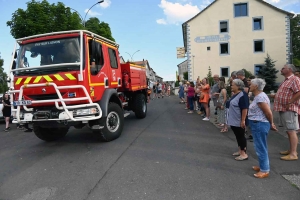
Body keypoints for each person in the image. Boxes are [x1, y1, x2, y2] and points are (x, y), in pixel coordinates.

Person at [248, 78, 277, 178]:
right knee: (259, 146)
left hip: (259, 124)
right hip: (257, 123)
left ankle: (264, 170)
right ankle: (262, 166)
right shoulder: (258, 96)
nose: (249, 86)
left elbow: (268, 112)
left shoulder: (260, 97)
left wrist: (271, 123)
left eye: (251, 84)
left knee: (260, 147)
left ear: (256, 86)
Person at [272, 64, 300, 161]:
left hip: (290, 108)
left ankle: (293, 154)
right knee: (288, 130)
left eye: (283, 68)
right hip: (284, 108)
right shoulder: (287, 80)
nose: (281, 69)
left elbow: (299, 91)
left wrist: (290, 101)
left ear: (289, 70)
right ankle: (291, 150)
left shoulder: (294, 79)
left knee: (292, 130)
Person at [226, 79, 249, 161]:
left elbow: (244, 109)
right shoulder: (235, 94)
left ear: (238, 86)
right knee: (237, 136)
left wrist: (243, 120)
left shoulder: (243, 95)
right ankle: (240, 150)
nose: (231, 86)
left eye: (232, 85)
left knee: (241, 136)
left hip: (239, 120)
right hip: (233, 120)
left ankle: (243, 153)